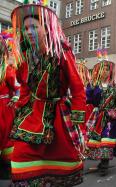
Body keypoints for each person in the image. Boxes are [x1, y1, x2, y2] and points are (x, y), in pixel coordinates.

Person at [10, 2, 86, 186]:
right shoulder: (26, 57)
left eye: (34, 27)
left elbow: (78, 89)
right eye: (26, 28)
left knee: (61, 163)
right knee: (20, 158)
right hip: (32, 116)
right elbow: (26, 89)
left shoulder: (62, 53)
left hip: (58, 116)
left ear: (47, 29)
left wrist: (78, 123)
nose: (28, 32)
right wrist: (19, 106)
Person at [85, 58, 116, 176]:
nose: (105, 71)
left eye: (107, 69)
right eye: (103, 69)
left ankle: (105, 165)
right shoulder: (93, 85)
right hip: (98, 116)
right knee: (98, 140)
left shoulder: (114, 87)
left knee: (106, 140)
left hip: (110, 118)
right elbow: (87, 99)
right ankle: (102, 161)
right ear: (99, 71)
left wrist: (115, 112)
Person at [0, 34, 19, 180]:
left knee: (6, 136)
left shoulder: (7, 69)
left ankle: (6, 167)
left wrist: (16, 96)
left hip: (4, 109)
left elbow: (17, 88)